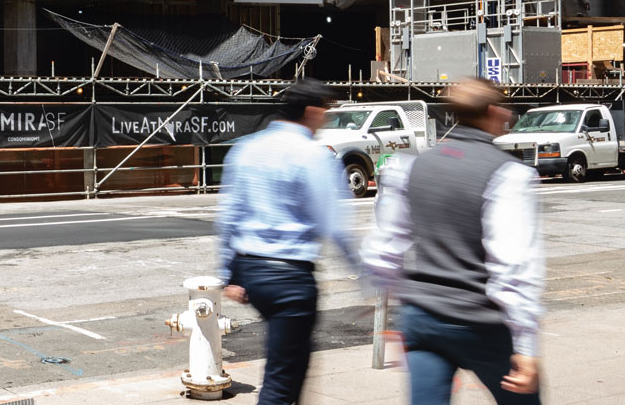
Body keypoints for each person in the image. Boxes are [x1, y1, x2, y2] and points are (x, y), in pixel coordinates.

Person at [363, 77, 542, 403]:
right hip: (480, 323)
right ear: (492, 111)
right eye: (504, 106)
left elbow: (384, 248)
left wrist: (393, 297)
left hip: (422, 319)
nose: (507, 113)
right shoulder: (509, 174)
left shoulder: (411, 166)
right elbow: (513, 266)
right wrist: (527, 346)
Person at [214, 80, 362, 405]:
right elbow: (333, 224)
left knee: (292, 366)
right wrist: (364, 272)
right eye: (324, 112)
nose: (325, 120)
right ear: (310, 111)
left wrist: (229, 273)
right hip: (290, 280)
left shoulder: (246, 148)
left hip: (253, 271)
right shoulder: (312, 155)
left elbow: (229, 217)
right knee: (282, 382)